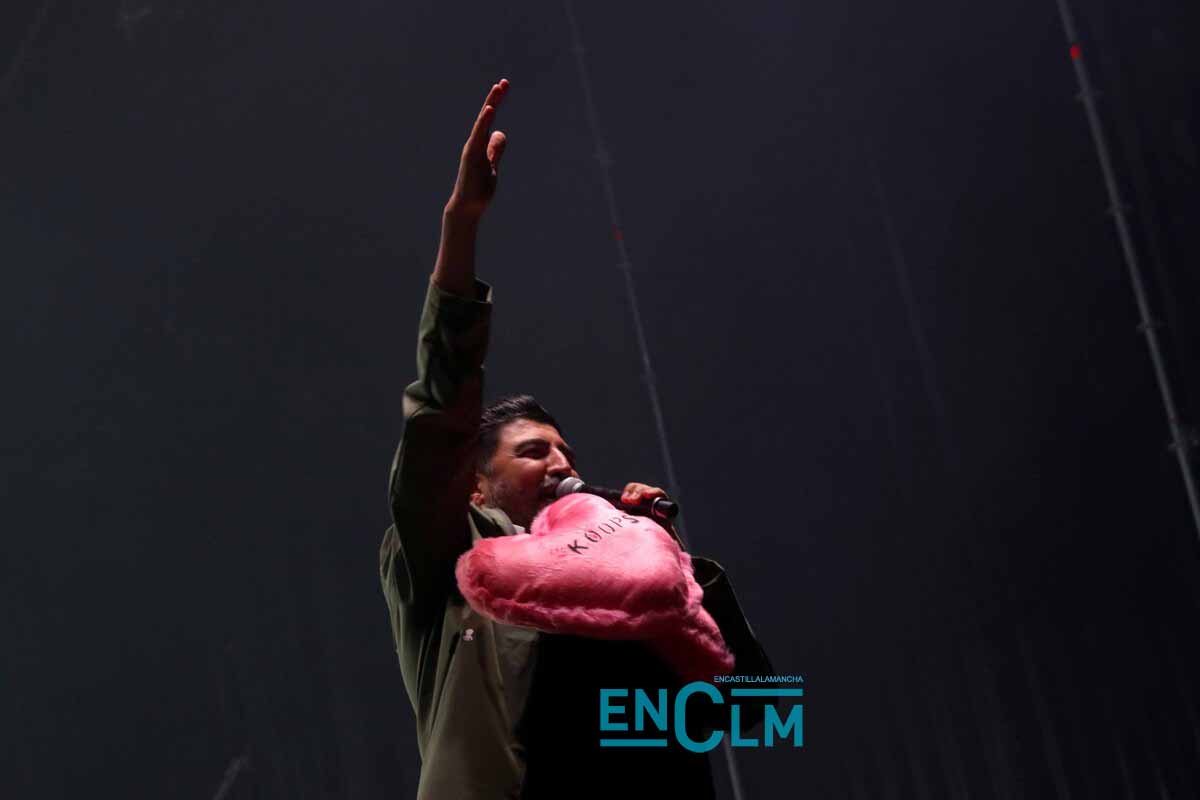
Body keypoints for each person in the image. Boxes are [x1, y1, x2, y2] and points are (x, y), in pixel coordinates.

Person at [379, 78, 774, 799]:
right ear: (475, 483)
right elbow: (439, 418)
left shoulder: (626, 581)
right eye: (533, 452)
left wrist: (674, 567)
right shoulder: (453, 564)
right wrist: (461, 225)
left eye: (565, 452)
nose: (560, 464)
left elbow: (758, 711)